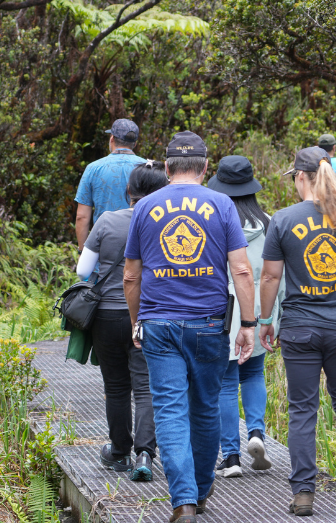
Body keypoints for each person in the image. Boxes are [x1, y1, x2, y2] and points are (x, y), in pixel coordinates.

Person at [122, 131, 258, 523]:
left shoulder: (145, 206)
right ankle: (198, 492)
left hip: (159, 323)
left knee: (169, 410)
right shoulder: (222, 205)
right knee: (206, 407)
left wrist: (137, 321)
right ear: (205, 167)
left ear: (166, 168)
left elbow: (131, 276)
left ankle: (182, 500)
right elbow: (242, 270)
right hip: (209, 323)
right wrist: (247, 324)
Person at [258, 147, 336, 516]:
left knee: (302, 410)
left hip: (299, 329)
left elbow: (269, 276)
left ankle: (303, 494)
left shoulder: (282, 220)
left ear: (300, 176)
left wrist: (266, 320)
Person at [77, 161, 169, 481]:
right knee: (146, 389)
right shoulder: (164, 225)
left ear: (128, 191)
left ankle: (119, 452)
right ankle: (145, 453)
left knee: (116, 388)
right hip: (148, 315)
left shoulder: (106, 220)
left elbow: (82, 271)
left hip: (106, 316)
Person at [205, 155, 284, 478]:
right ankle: (256, 434)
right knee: (254, 373)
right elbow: (276, 275)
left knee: (225, 383)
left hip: (225, 312)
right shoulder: (269, 223)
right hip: (261, 311)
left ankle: (232, 457)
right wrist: (274, 317)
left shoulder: (215, 223)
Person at [76, 119, 147, 250]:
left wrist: (82, 251)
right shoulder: (148, 168)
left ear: (112, 138)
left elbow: (82, 216)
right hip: (139, 249)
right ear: (135, 143)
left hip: (103, 250)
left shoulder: (93, 168)